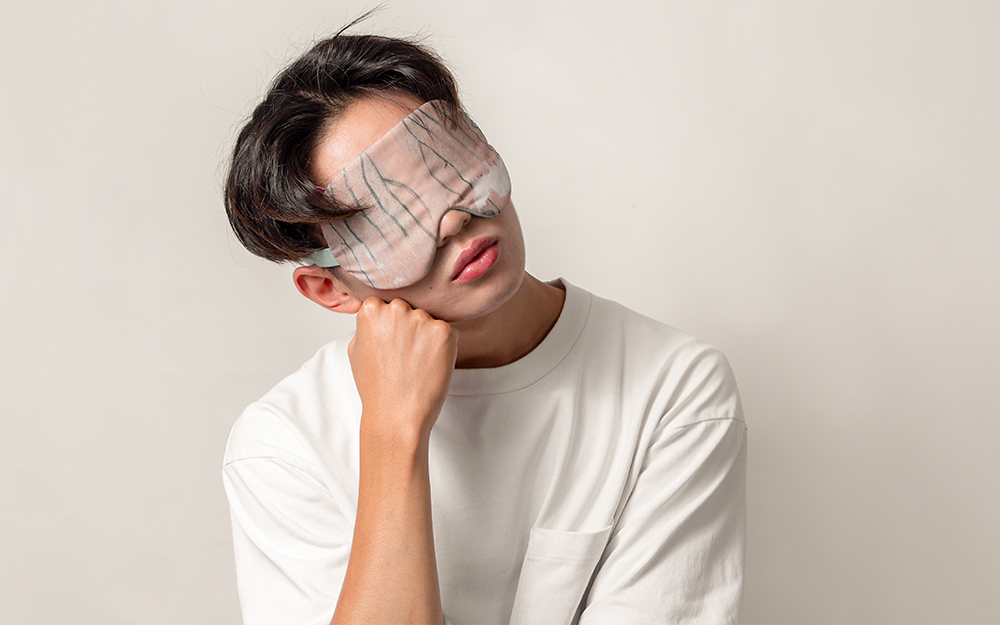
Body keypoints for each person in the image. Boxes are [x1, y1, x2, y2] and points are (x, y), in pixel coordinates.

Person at [222, 26, 747, 625]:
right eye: (382, 220)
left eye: (445, 167)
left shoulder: (674, 388)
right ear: (330, 287)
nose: (451, 222)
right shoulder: (283, 447)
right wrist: (393, 436)